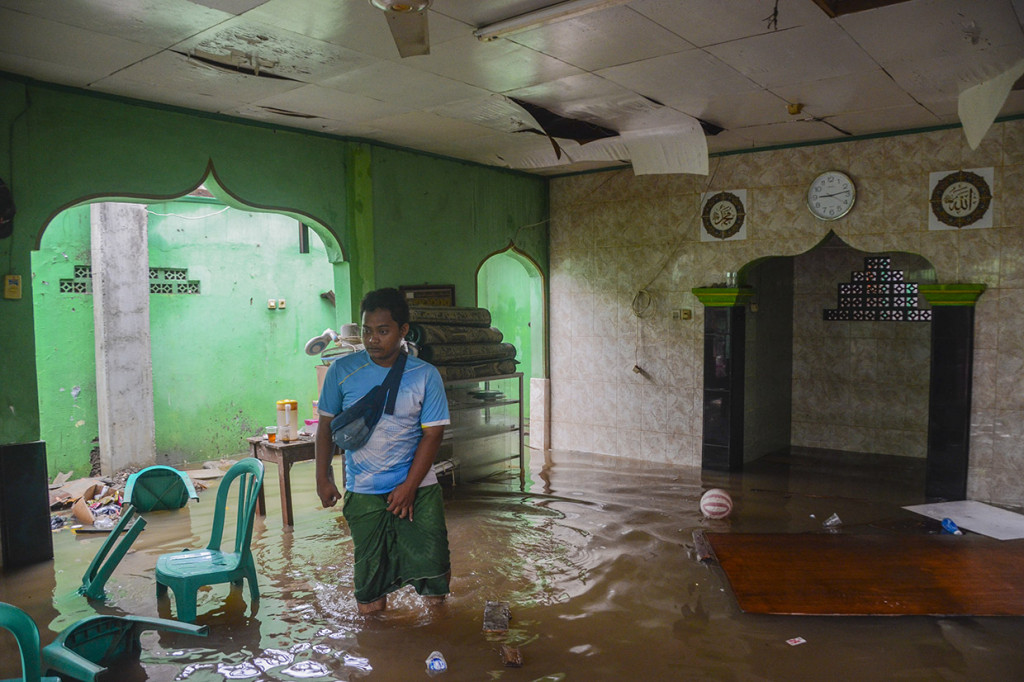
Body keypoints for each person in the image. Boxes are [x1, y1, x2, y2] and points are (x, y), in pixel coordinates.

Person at [314, 287, 451, 614]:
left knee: (434, 578)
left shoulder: (425, 375)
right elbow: (324, 429)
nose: (372, 339)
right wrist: (322, 478)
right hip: (364, 492)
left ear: (403, 331)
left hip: (420, 491)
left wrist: (408, 489)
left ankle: (438, 640)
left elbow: (433, 436)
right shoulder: (341, 372)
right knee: (370, 585)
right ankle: (376, 655)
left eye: (383, 331)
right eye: (366, 331)